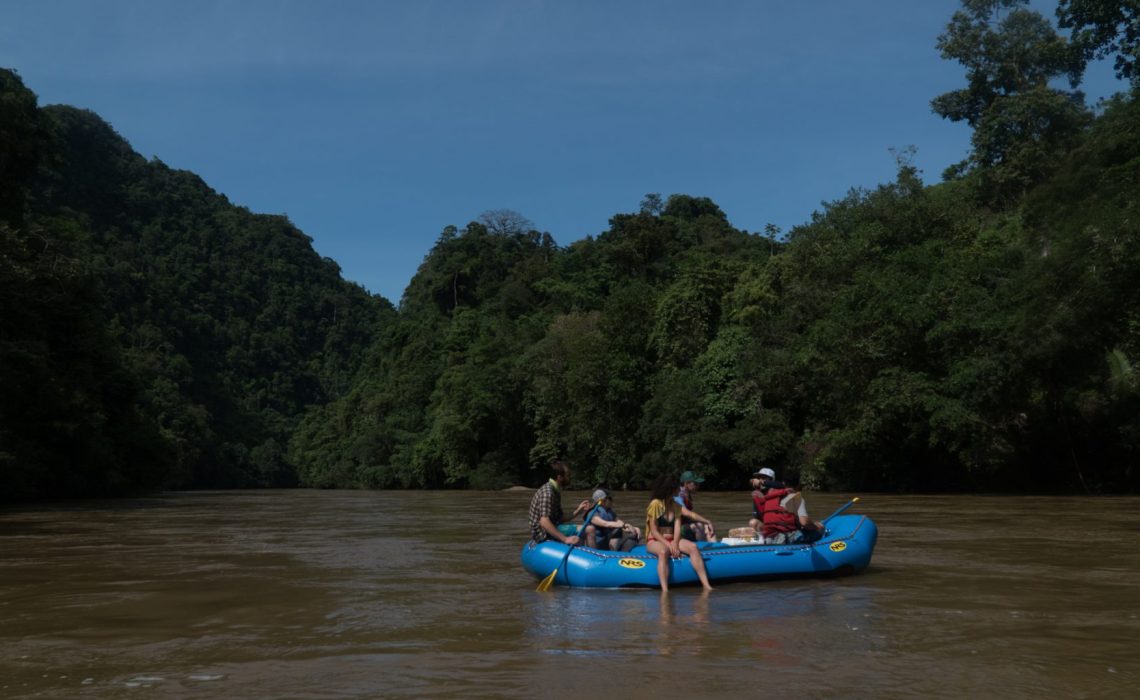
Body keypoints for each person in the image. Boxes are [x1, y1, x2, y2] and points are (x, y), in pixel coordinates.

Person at [646, 473, 713, 592]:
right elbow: (654, 531)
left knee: (693, 547)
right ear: (670, 489)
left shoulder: (676, 505)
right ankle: (665, 590)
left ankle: (706, 586)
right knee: (663, 551)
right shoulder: (655, 504)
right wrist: (669, 545)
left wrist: (675, 543)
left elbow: (677, 527)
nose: (679, 489)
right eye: (677, 487)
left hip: (673, 539)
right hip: (655, 540)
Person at [528, 460, 591, 545]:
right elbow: (544, 521)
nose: (569, 478)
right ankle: (594, 556)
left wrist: (578, 511)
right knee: (590, 529)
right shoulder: (548, 493)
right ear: (559, 477)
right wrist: (565, 539)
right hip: (542, 533)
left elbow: (559, 518)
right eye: (567, 475)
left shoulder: (555, 490)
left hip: (553, 526)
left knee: (584, 531)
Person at [754, 470, 824, 545]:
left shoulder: (769, 497)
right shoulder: (796, 498)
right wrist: (817, 527)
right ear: (798, 485)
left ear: (783, 483)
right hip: (785, 538)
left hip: (768, 539)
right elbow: (805, 522)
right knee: (819, 530)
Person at [675, 469, 716, 542]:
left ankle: (714, 549)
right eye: (695, 484)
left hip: (685, 525)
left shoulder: (687, 495)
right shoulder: (678, 496)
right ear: (686, 484)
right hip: (675, 528)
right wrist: (707, 521)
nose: (698, 486)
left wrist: (706, 523)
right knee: (699, 526)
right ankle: (701, 549)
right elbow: (687, 513)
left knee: (708, 526)